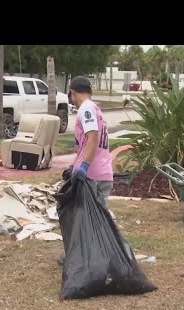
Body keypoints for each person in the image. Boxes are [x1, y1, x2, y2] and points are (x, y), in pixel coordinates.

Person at [58, 76, 114, 265]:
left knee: (83, 218)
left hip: (92, 175)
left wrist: (84, 167)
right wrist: (74, 165)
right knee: (96, 219)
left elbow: (92, 138)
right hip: (103, 172)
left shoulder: (86, 109)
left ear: (73, 92)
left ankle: (82, 258)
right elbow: (84, 145)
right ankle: (99, 257)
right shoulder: (96, 109)